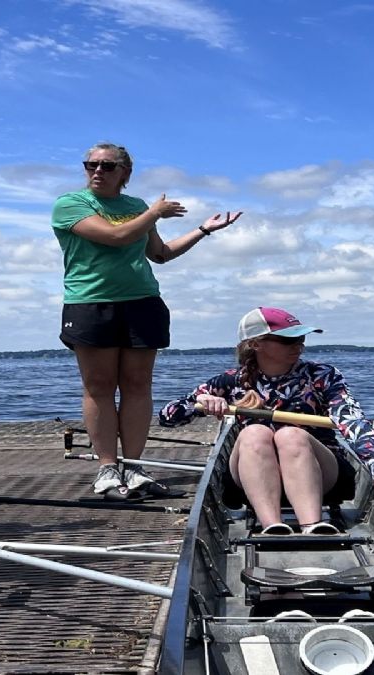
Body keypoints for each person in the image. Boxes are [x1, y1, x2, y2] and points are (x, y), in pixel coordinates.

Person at [52, 142, 242, 500]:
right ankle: (108, 469)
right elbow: (114, 237)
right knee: (100, 386)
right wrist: (154, 213)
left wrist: (203, 230)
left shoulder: (136, 207)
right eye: (90, 164)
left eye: (107, 166)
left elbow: (160, 253)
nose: (97, 171)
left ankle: (134, 467)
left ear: (124, 172)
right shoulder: (70, 204)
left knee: (138, 384)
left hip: (142, 302)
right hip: (91, 304)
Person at [159, 307, 374, 534]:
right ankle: (273, 527)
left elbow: (352, 422)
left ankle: (313, 526)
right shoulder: (229, 381)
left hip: (322, 474)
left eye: (301, 338)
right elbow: (167, 417)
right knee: (254, 432)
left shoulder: (322, 375)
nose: (299, 345)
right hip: (251, 474)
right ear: (256, 344)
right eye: (288, 339)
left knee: (291, 435)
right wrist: (200, 403)